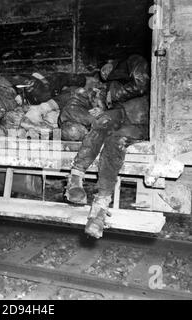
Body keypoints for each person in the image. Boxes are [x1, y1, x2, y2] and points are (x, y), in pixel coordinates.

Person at [65, 54, 150, 239]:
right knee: (101, 121)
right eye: (101, 73)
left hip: (138, 119)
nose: (103, 73)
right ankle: (75, 178)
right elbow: (111, 104)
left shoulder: (133, 60)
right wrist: (103, 107)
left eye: (105, 68)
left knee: (115, 142)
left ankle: (100, 206)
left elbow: (142, 83)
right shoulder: (111, 82)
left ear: (111, 62)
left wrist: (113, 95)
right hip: (121, 114)